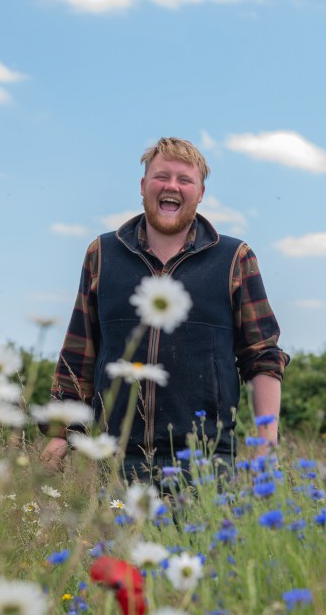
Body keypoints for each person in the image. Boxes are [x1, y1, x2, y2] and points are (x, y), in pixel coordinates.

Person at [41, 137, 289, 485]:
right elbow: (79, 352)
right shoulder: (102, 253)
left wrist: (267, 446)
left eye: (184, 180)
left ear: (200, 192)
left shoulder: (235, 258)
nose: (172, 186)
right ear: (143, 186)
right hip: (114, 460)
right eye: (162, 176)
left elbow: (261, 356)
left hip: (206, 459)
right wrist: (60, 433)